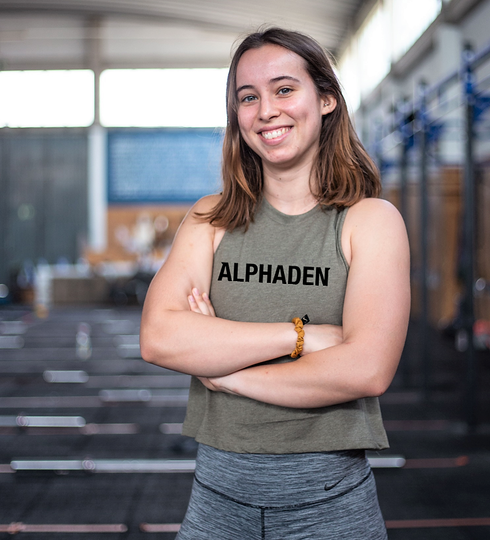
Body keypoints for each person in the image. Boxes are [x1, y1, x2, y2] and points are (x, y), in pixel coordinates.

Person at [140, 27, 410, 540]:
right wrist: (300, 337)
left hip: (330, 506)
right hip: (216, 500)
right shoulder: (208, 219)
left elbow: (367, 369)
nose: (266, 110)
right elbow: (159, 337)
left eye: (284, 89)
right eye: (248, 97)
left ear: (325, 98)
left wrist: (226, 373)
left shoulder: (369, 221)